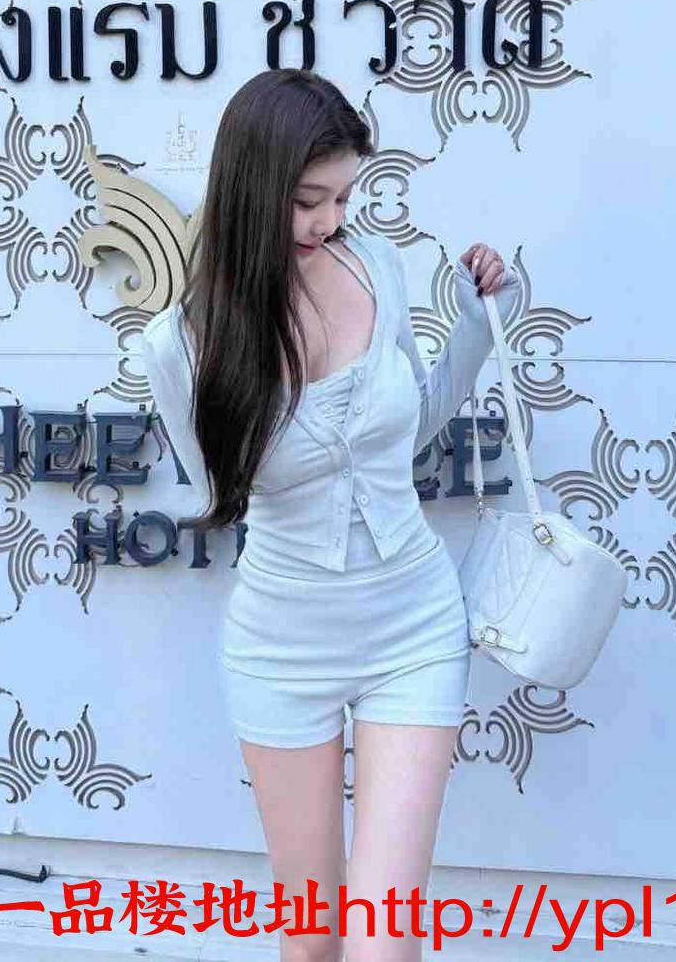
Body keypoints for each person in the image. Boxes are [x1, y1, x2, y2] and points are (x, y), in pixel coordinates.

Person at [140, 67, 520, 962]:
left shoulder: (374, 264)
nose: (328, 221)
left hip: (412, 626)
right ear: (251, 186)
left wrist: (475, 326)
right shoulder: (178, 344)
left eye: (344, 197)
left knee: (381, 941)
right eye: (307, 200)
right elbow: (216, 493)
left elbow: (413, 428)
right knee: (311, 941)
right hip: (282, 643)